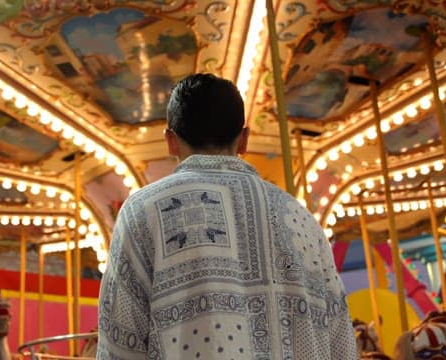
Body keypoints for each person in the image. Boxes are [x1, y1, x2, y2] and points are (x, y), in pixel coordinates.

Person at [96, 73, 358, 359]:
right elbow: (340, 339)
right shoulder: (302, 217)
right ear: (244, 139)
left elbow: (120, 340)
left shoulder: (142, 210)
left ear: (171, 140)